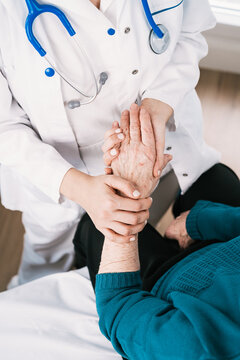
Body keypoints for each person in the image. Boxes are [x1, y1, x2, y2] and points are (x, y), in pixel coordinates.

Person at [0, 0, 221, 285]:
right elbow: (4, 126)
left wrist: (154, 111)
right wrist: (80, 188)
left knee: (136, 244)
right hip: (55, 174)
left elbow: (190, 33)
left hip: (159, 146)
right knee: (46, 269)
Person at [72, 107, 240, 359]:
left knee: (93, 227)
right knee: (216, 177)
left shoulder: (194, 351)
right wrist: (198, 221)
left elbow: (120, 306)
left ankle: (82, 272)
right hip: (227, 247)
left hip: (163, 290)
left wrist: (127, 198)